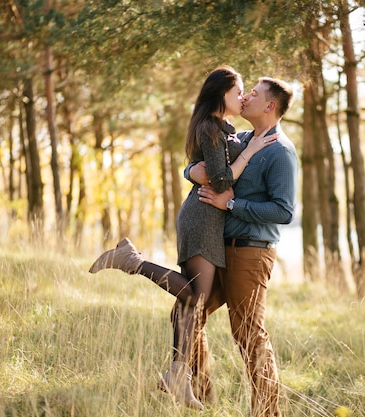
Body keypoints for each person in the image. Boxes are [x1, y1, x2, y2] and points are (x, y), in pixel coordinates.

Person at [88, 66, 277, 411]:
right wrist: (248, 154)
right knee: (196, 295)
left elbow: (199, 166)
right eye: (238, 91)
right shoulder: (210, 127)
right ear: (222, 93)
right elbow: (220, 182)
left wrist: (196, 168)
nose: (242, 96)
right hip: (202, 217)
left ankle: (178, 373)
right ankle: (132, 260)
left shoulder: (223, 128)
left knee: (192, 301)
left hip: (210, 219)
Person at [185, 76, 298, 417]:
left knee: (248, 334)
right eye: (246, 91)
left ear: (270, 106)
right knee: (189, 313)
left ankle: (266, 413)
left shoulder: (281, 152)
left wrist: (232, 206)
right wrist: (191, 171)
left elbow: (284, 210)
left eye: (255, 93)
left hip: (251, 251)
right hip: (219, 248)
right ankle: (202, 397)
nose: (246, 96)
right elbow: (207, 164)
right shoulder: (241, 138)